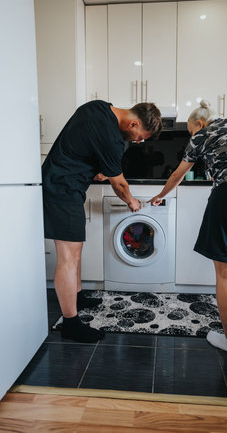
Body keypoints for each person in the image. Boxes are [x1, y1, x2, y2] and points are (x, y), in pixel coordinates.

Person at [148, 99, 227, 360]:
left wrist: (161, 195)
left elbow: (178, 174)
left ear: (200, 123)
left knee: (226, 274)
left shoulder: (202, 134)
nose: (192, 135)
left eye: (191, 130)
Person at [42, 100, 162, 343]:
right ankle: (71, 323)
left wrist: (99, 168)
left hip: (60, 184)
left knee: (75, 250)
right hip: (62, 190)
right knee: (68, 255)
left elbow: (82, 145)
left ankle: (78, 295)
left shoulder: (96, 107)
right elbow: (119, 183)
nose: (138, 142)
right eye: (140, 137)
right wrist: (132, 202)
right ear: (134, 123)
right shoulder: (113, 139)